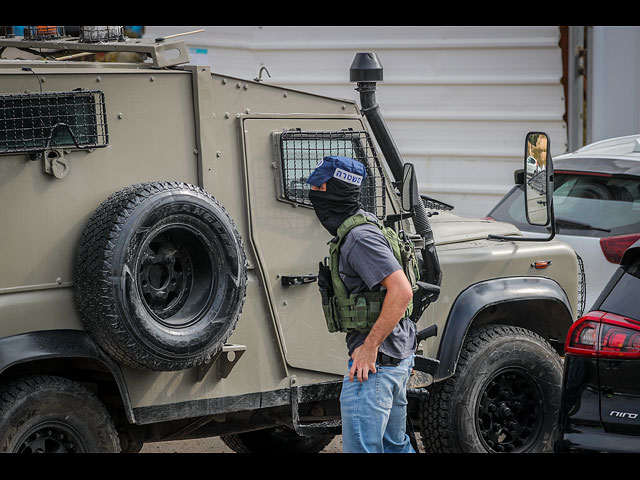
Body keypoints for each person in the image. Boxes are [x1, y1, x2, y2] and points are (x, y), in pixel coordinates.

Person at [306, 155, 417, 453]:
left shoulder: (359, 238)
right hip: (393, 360)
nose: (313, 196)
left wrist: (369, 349)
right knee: (395, 447)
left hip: (374, 368)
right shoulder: (366, 226)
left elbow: (402, 292)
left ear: (333, 192)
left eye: (318, 189)